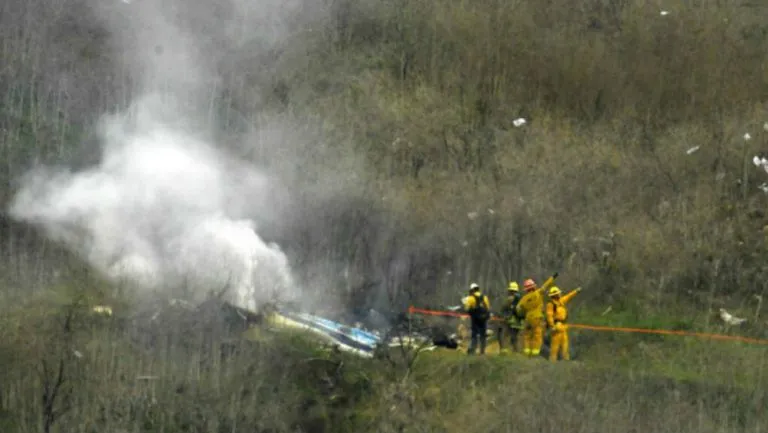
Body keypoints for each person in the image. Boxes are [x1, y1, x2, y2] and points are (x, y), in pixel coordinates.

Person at [515, 274, 557, 357]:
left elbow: (518, 309)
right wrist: (553, 277)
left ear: (526, 289)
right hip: (537, 318)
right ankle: (535, 353)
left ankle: (527, 353)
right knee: (537, 335)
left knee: (527, 336)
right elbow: (545, 285)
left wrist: (522, 315)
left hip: (527, 319)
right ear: (533, 287)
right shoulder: (538, 293)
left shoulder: (524, 298)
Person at [546, 285, 582, 362]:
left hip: (563, 326)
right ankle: (552, 361)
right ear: (554, 295)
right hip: (556, 327)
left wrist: (576, 291)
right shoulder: (551, 304)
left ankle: (566, 360)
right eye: (558, 293)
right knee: (555, 346)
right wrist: (552, 326)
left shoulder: (561, 301)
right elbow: (549, 316)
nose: (560, 294)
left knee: (565, 345)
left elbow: (569, 296)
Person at [463, 283, 491, 355]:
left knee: (474, 335)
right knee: (483, 335)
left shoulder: (470, 298)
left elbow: (466, 308)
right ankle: (482, 351)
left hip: (475, 319)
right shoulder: (485, 297)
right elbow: (488, 308)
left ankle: (473, 350)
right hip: (483, 319)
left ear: (472, 290)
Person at [498, 281, 522, 353]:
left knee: (505, 335)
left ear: (510, 291)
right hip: (518, 322)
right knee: (515, 337)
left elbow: (503, 308)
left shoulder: (509, 299)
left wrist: (502, 315)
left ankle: (504, 351)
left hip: (510, 320)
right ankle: (516, 350)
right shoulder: (520, 299)